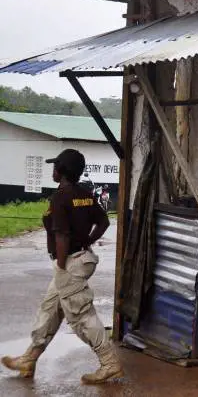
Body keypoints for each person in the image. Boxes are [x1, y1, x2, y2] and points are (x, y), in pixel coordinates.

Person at [1, 149, 123, 384]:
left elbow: (62, 236)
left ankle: (110, 363)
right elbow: (104, 220)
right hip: (79, 258)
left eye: (55, 166)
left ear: (62, 171)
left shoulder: (60, 197)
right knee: (50, 310)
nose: (52, 170)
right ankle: (29, 359)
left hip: (69, 264)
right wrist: (87, 240)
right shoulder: (84, 194)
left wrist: (61, 264)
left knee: (81, 315)